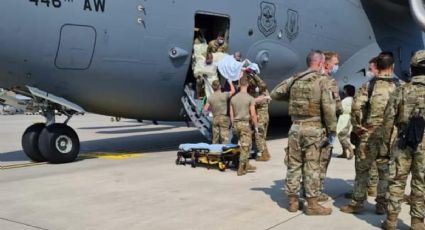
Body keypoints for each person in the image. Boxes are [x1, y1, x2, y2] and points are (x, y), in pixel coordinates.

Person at [271, 50, 337, 215]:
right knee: (311, 166)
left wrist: (294, 98)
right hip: (314, 129)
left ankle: (292, 202)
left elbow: (274, 93)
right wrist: (332, 130)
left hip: (295, 128)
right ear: (321, 63)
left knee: (293, 165)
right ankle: (313, 205)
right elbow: (329, 108)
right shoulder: (323, 81)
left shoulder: (295, 79)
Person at [340, 51, 400, 215]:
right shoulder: (400, 86)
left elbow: (356, 107)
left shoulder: (369, 85)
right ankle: (382, 204)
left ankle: (357, 203)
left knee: (362, 170)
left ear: (378, 67)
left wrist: (358, 126)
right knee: (385, 171)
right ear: (392, 67)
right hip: (390, 135)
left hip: (369, 133)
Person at [380, 50, 425, 230]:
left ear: (412, 68)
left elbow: (388, 121)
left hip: (402, 141)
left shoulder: (401, 90)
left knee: (397, 180)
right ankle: (417, 222)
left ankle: (391, 220)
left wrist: (384, 148)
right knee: (421, 181)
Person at [317, 51, 343, 202]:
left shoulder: (310, 79)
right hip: (324, 128)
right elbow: (336, 108)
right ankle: (317, 191)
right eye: (335, 63)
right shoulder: (328, 82)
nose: (336, 66)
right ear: (327, 64)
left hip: (307, 126)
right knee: (322, 160)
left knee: (308, 160)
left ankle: (305, 187)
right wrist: (332, 129)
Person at [230, 75, 258, 176]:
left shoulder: (233, 98)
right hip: (245, 124)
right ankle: (241, 168)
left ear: (239, 84)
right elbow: (253, 114)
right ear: (248, 84)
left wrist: (233, 124)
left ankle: (246, 164)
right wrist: (256, 126)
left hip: (236, 124)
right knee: (246, 146)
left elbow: (231, 114)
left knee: (246, 144)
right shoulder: (250, 98)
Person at [246, 71, 271, 161]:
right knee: (263, 137)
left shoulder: (262, 98)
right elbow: (261, 83)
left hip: (261, 119)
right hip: (265, 118)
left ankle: (262, 155)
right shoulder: (266, 93)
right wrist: (253, 75)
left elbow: (253, 101)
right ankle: (266, 153)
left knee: (258, 136)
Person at [203, 80, 235, 144]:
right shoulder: (224, 94)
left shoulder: (210, 97)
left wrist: (212, 108)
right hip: (224, 118)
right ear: (220, 86)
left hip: (215, 118)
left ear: (212, 87)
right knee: (225, 138)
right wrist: (230, 83)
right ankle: (225, 151)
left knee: (215, 138)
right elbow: (233, 91)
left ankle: (215, 151)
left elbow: (205, 109)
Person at [336, 84, 355, 159]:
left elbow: (339, 109)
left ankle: (350, 150)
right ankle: (344, 153)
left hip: (343, 119)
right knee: (342, 136)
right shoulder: (353, 100)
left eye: (345, 90)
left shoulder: (345, 100)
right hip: (348, 118)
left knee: (341, 137)